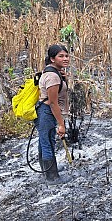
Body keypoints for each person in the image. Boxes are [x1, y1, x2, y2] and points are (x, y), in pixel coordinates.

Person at [35, 44, 71, 185]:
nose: (65, 58)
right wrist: (61, 124)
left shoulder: (54, 72)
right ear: (52, 59)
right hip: (47, 112)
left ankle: (47, 169)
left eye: (66, 56)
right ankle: (52, 177)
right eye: (61, 56)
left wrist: (64, 78)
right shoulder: (52, 77)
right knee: (47, 142)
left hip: (44, 111)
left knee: (45, 139)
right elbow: (53, 103)